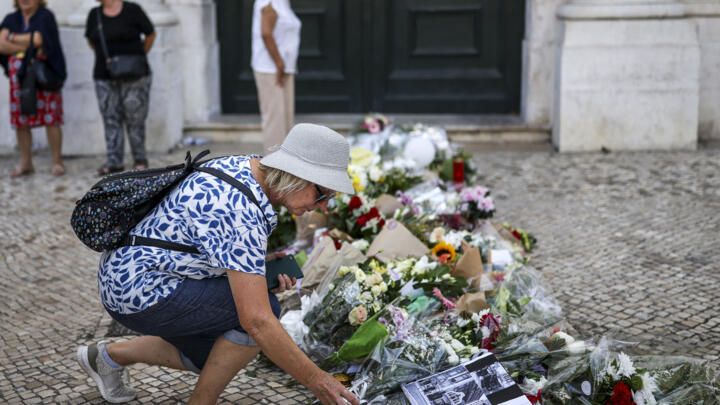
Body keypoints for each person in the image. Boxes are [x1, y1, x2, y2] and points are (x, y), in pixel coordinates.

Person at [76, 123, 360, 405]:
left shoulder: (246, 167)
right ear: (297, 176)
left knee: (211, 356)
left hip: (123, 273)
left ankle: (108, 357)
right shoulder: (240, 210)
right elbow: (256, 321)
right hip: (139, 290)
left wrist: (256, 266)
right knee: (259, 318)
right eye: (322, 194)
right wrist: (317, 380)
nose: (324, 207)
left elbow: (209, 239)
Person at [85, 0, 156, 176]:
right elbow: (91, 41)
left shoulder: (133, 10)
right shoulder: (94, 14)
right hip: (104, 74)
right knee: (110, 117)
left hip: (135, 74)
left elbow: (150, 35)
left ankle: (140, 159)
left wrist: (134, 58)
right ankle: (114, 161)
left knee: (135, 118)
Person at [0, 0, 66, 177]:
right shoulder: (11, 18)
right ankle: (26, 162)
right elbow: (1, 44)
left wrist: (12, 38)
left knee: (51, 117)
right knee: (20, 120)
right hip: (19, 79)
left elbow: (39, 40)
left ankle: (57, 161)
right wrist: (28, 45)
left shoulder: (45, 16)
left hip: (43, 75)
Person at [252, 0, 301, 153]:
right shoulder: (268, 3)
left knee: (286, 125)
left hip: (284, 69)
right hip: (271, 69)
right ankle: (272, 171)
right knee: (275, 126)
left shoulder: (283, 3)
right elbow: (266, 33)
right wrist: (279, 63)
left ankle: (284, 170)